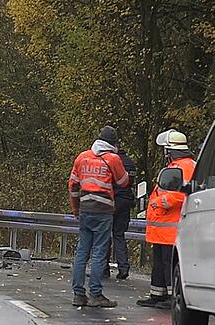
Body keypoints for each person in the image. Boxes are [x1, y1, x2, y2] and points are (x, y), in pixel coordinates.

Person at [69, 125, 129, 308]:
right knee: (99, 253)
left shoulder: (82, 157)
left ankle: (78, 294)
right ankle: (95, 294)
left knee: (82, 252)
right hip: (103, 211)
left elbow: (73, 185)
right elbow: (123, 182)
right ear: (113, 143)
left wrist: (76, 209)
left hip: (85, 209)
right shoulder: (112, 158)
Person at [137, 129, 196, 308]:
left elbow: (185, 193)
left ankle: (172, 297)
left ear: (170, 150)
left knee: (168, 262)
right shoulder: (176, 167)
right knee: (160, 262)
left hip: (171, 227)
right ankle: (157, 294)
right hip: (162, 228)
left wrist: (161, 202)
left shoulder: (184, 167)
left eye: (165, 150)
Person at [106, 146, 137, 279]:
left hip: (111, 200)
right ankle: (123, 267)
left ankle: (103, 268)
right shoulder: (130, 162)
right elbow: (131, 183)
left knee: (105, 235)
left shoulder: (111, 161)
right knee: (119, 235)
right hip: (125, 201)